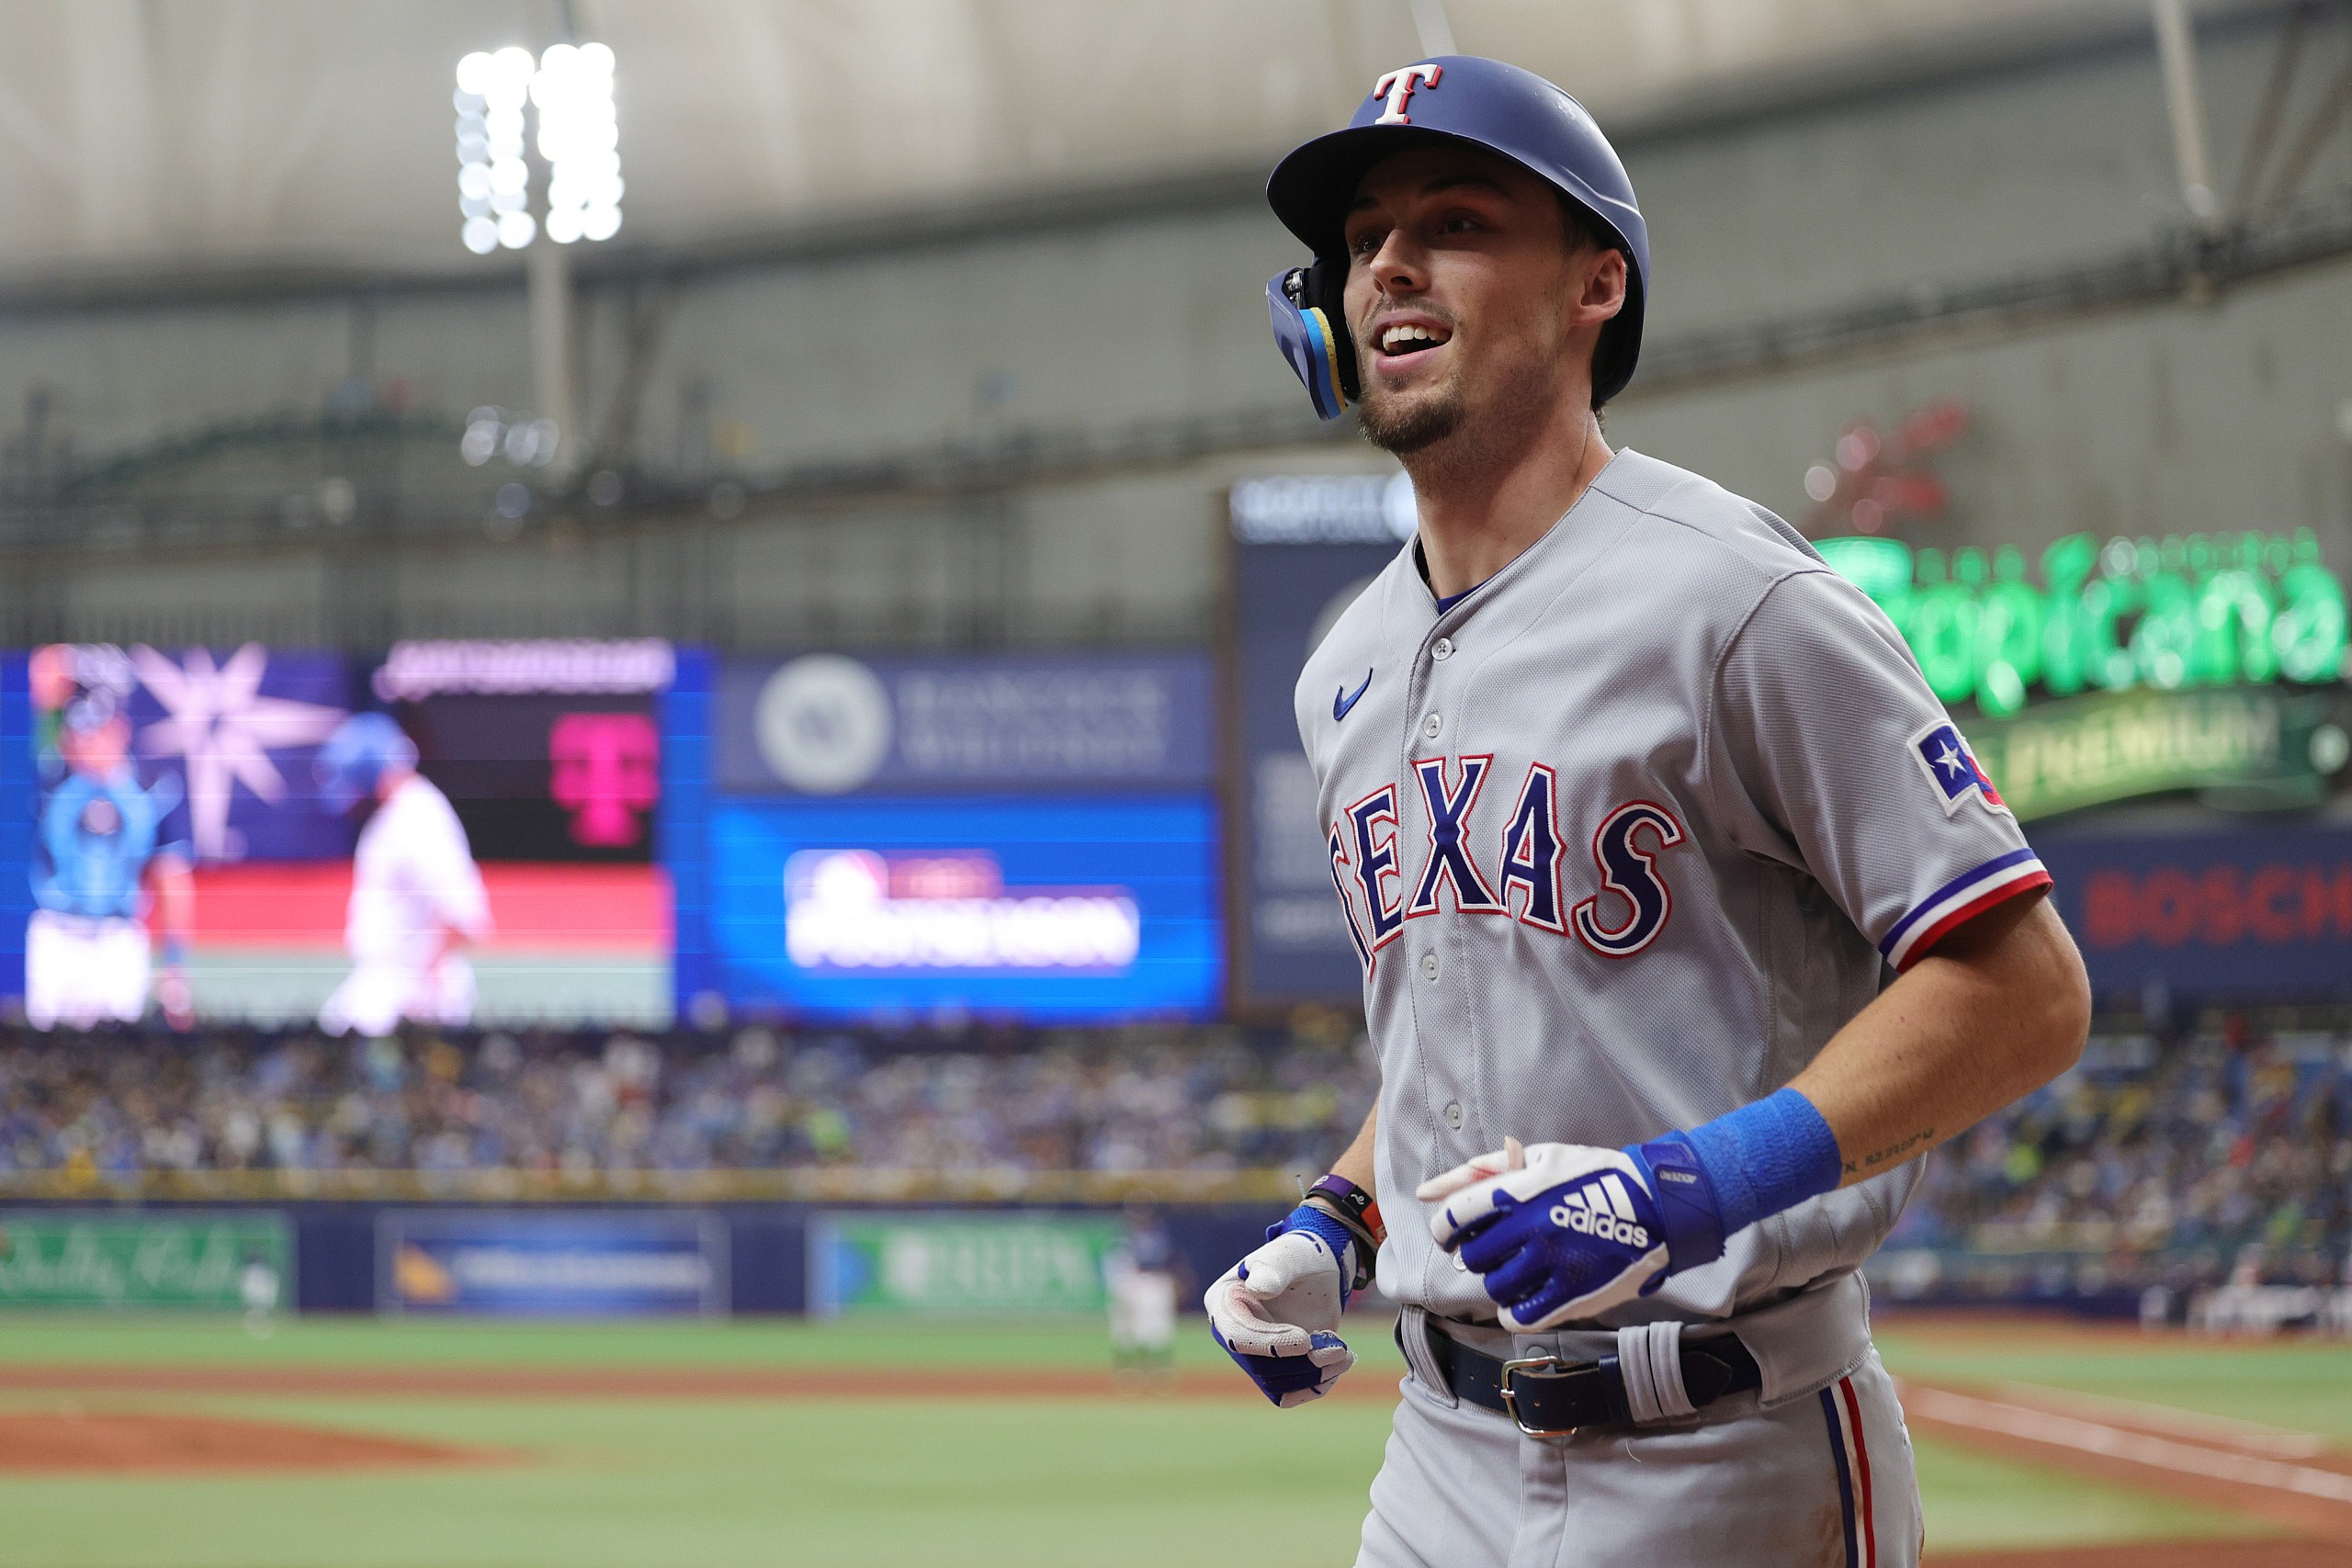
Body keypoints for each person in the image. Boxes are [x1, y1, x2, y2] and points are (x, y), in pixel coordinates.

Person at [1205, 57, 2091, 1567]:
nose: (1391, 265)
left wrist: (1684, 1187)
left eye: (1457, 221)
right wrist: (1336, 1220)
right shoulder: (1341, 668)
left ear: (1594, 284)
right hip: (1439, 1453)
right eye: (1362, 240)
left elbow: (2028, 989)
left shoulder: (1737, 599)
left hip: (1731, 1444)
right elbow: (1471, 1008)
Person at [25, 646, 194, 1030]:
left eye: (95, 733)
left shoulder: (153, 789)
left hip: (118, 938)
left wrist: (175, 964)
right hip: (57, 934)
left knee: (120, 1044)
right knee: (44, 1045)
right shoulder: (52, 776)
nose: (83, 745)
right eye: (77, 734)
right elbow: (41, 675)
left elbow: (172, 879)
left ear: (120, 729)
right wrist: (73, 663)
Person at [314, 713, 491, 1036]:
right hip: (389, 981)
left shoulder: (419, 819)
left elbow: (462, 915)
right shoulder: (402, 812)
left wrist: (422, 990)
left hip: (410, 989)